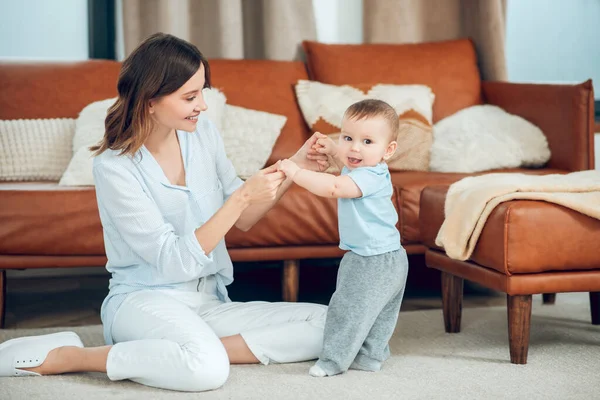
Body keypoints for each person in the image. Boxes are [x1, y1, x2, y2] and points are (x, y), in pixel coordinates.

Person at [0, 33, 330, 392]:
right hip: (143, 301)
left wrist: (295, 166)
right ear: (150, 101)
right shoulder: (115, 168)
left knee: (333, 323)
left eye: (202, 91)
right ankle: (72, 357)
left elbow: (246, 216)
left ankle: (177, 351)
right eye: (190, 96)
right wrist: (238, 198)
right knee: (207, 371)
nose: (202, 105)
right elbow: (175, 260)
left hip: (210, 302)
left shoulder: (203, 135)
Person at [278, 99, 409, 377]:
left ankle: (332, 361)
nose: (355, 148)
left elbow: (336, 186)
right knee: (377, 312)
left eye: (367, 141)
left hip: (370, 260)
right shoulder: (364, 167)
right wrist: (333, 150)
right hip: (391, 256)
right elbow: (347, 162)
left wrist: (296, 172)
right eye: (348, 137)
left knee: (347, 309)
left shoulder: (370, 178)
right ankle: (370, 357)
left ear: (389, 150)